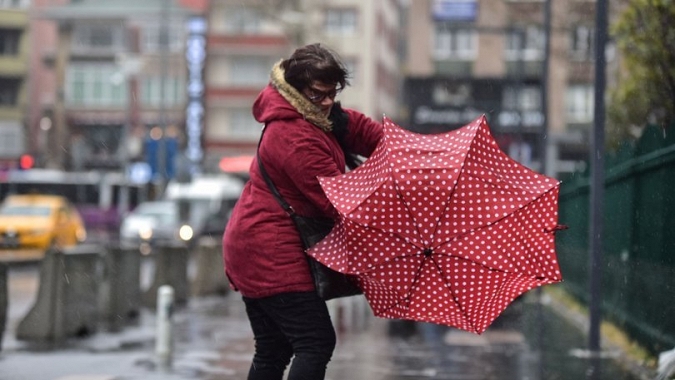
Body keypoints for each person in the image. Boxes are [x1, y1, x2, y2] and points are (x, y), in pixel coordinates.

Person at [222, 43, 383, 380]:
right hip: (268, 250)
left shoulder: (320, 118)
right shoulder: (294, 136)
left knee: (274, 349)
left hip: (255, 246)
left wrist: (414, 159)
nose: (327, 102)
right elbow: (336, 200)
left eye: (332, 93)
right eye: (318, 94)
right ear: (295, 90)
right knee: (315, 341)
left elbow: (367, 133)